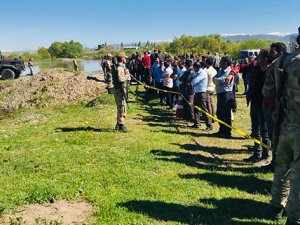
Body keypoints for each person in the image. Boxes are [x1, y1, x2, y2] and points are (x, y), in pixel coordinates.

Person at [270, 27, 300, 225]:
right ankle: (294, 218)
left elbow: (267, 90)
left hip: (285, 125)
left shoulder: (282, 61)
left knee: (281, 170)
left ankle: (275, 208)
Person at [213, 56, 234, 138]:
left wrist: (216, 80)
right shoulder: (220, 70)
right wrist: (216, 80)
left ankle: (227, 132)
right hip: (220, 94)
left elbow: (221, 80)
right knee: (219, 113)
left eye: (221, 61)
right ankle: (221, 129)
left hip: (226, 94)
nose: (220, 63)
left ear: (225, 63)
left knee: (226, 114)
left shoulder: (229, 71)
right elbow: (214, 79)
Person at [112, 52, 130, 133]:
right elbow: (120, 79)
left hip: (119, 90)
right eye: (125, 58)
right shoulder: (119, 68)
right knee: (122, 108)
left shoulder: (118, 67)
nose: (126, 59)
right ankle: (121, 125)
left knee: (120, 107)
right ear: (122, 58)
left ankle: (118, 124)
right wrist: (127, 75)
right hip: (120, 91)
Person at [191, 62, 212, 130]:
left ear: (197, 67)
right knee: (195, 109)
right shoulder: (197, 73)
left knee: (204, 109)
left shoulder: (202, 73)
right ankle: (196, 123)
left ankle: (209, 125)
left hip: (201, 93)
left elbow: (194, 81)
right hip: (196, 92)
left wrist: (192, 82)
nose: (193, 69)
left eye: (194, 68)